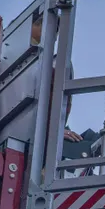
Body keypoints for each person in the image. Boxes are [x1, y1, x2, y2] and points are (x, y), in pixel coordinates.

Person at [30, 15, 81, 143]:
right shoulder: (5, 57)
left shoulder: (56, 65)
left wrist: (55, 130)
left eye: (55, 31)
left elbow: (60, 104)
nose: (53, 36)